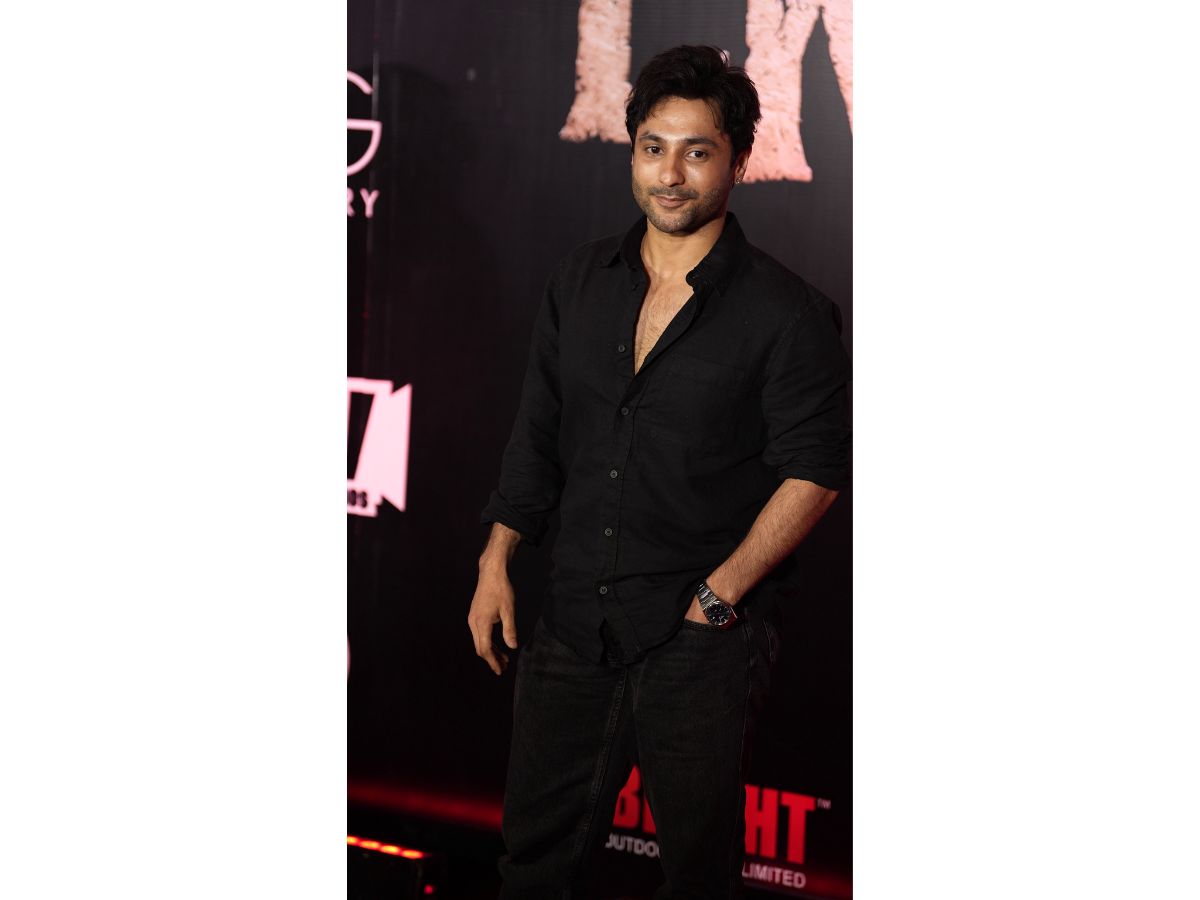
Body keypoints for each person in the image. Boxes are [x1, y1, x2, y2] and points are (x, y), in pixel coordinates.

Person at [468, 45, 851, 899]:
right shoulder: (579, 281)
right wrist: (497, 560)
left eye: (696, 151)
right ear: (633, 150)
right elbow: (537, 433)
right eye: (652, 148)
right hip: (573, 619)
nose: (669, 175)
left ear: (738, 161)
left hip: (700, 640)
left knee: (695, 878)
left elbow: (816, 471)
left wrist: (719, 596)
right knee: (533, 865)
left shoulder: (788, 315)